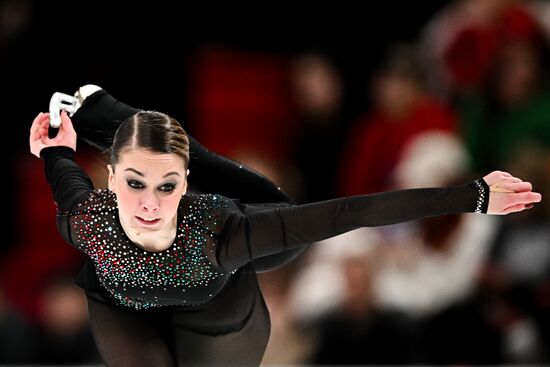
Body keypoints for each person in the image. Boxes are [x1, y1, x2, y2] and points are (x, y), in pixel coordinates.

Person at [29, 87, 541, 367]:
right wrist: (54, 147)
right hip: (127, 306)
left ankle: (113, 116)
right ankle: (104, 115)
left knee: (276, 214)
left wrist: (472, 196)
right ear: (112, 179)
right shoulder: (88, 221)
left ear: (183, 188)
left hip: (219, 303)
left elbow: (348, 213)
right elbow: (64, 171)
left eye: (166, 187)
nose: (148, 206)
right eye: (134, 184)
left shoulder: (222, 230)